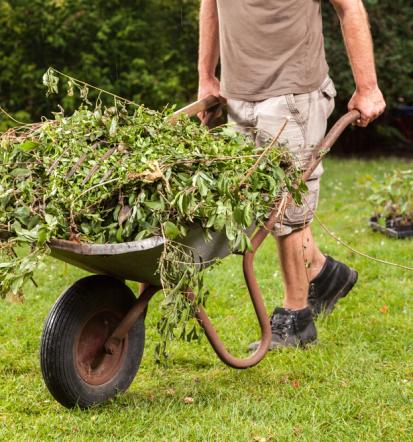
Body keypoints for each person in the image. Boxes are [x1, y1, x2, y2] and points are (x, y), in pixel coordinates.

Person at [197, 0, 386, 350]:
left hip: (293, 94)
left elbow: (350, 7)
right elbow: (210, 5)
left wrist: (368, 86)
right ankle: (324, 272)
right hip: (239, 95)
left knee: (287, 208)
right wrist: (206, 76)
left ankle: (296, 318)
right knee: (262, 203)